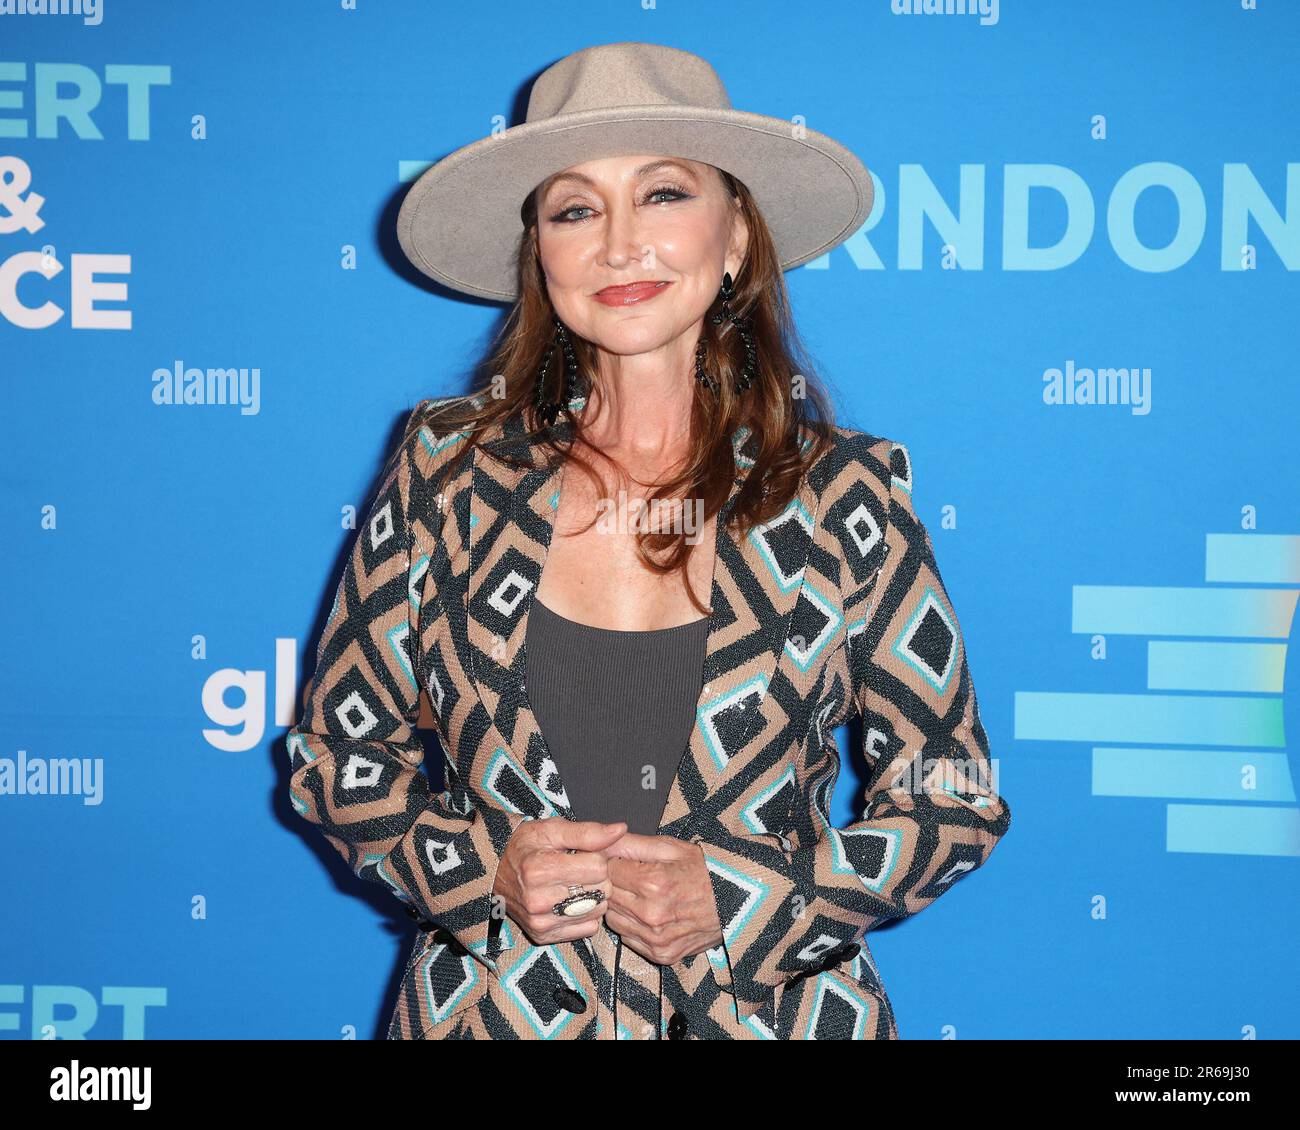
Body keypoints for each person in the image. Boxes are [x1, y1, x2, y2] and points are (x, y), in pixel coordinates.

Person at [285, 40, 1011, 1041]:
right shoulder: (445, 470)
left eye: (663, 194)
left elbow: (952, 794)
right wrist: (480, 867)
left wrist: (750, 899)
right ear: (541, 252)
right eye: (574, 208)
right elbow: (337, 757)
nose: (618, 243)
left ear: (735, 241)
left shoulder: (846, 491)